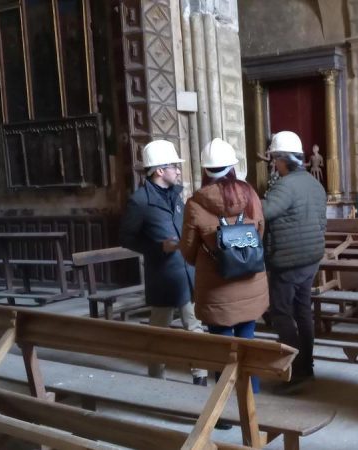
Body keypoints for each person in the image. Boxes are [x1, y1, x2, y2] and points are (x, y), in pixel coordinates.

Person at [180, 138, 269, 393]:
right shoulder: (251, 194)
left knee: (222, 351)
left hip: (216, 287)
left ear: (205, 170)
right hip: (251, 283)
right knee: (248, 344)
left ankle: (225, 414)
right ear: (232, 167)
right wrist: (241, 255)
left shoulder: (195, 203)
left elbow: (188, 251)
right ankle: (251, 406)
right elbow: (259, 233)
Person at [118, 140, 207, 385]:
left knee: (195, 328)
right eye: (174, 167)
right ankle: (156, 380)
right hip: (163, 276)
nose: (179, 171)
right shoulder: (140, 201)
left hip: (187, 273)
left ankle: (200, 377)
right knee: (159, 333)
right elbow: (126, 237)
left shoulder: (178, 197)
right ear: (159, 171)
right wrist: (158, 247)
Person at [262, 131, 327, 389]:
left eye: (275, 159)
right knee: (302, 312)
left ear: (282, 159)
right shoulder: (314, 184)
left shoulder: (284, 186)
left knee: (280, 313)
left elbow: (264, 212)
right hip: (311, 259)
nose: (274, 165)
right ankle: (306, 366)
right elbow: (322, 222)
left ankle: (295, 367)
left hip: (288, 262)